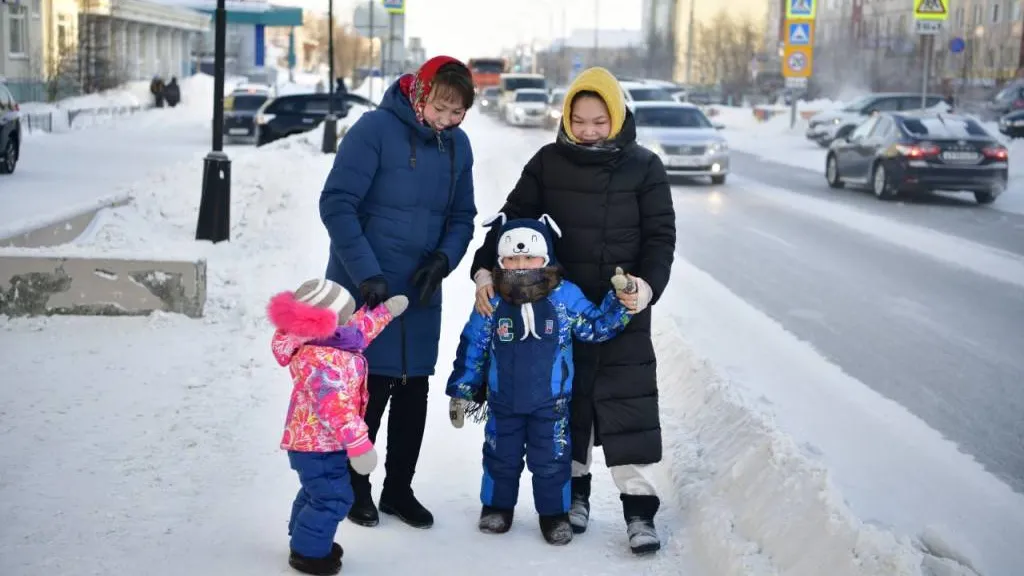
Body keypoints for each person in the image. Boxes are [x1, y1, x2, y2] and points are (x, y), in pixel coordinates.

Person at [468, 66, 676, 555]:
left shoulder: (645, 167)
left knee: (630, 408)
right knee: (568, 406)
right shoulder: (547, 163)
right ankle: (574, 496)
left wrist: (647, 288)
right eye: (579, 120)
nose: (587, 130)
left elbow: (660, 238)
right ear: (566, 117)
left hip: (623, 309)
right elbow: (508, 223)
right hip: (555, 315)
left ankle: (639, 512)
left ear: (618, 116)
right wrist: (482, 270)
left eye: (599, 121)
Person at [319, 55, 477, 530]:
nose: (448, 120)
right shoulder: (374, 131)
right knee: (368, 392)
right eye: (441, 108)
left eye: (458, 113)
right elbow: (337, 203)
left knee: (412, 390)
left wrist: (444, 260)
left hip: (419, 290)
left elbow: (462, 217)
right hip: (369, 288)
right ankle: (354, 488)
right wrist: (365, 272)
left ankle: (398, 489)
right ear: (420, 94)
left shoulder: (457, 147)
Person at [446, 214, 635, 545]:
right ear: (500, 261)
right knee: (499, 457)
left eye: (529, 257)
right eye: (512, 258)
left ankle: (554, 515)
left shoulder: (564, 295)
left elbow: (594, 326)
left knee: (552, 461)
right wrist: (462, 390)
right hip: (503, 401)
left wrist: (619, 301)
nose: (521, 265)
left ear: (546, 257)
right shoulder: (492, 298)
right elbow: (473, 344)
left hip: (552, 403)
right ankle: (496, 507)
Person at [267, 278, 409, 575]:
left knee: (315, 491)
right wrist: (358, 445)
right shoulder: (318, 359)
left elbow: (359, 329)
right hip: (317, 444)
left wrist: (385, 312)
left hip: (318, 443)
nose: (350, 321)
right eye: (344, 315)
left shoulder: (334, 338)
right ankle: (309, 554)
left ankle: (303, 537)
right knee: (334, 497)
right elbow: (336, 409)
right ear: (325, 320)